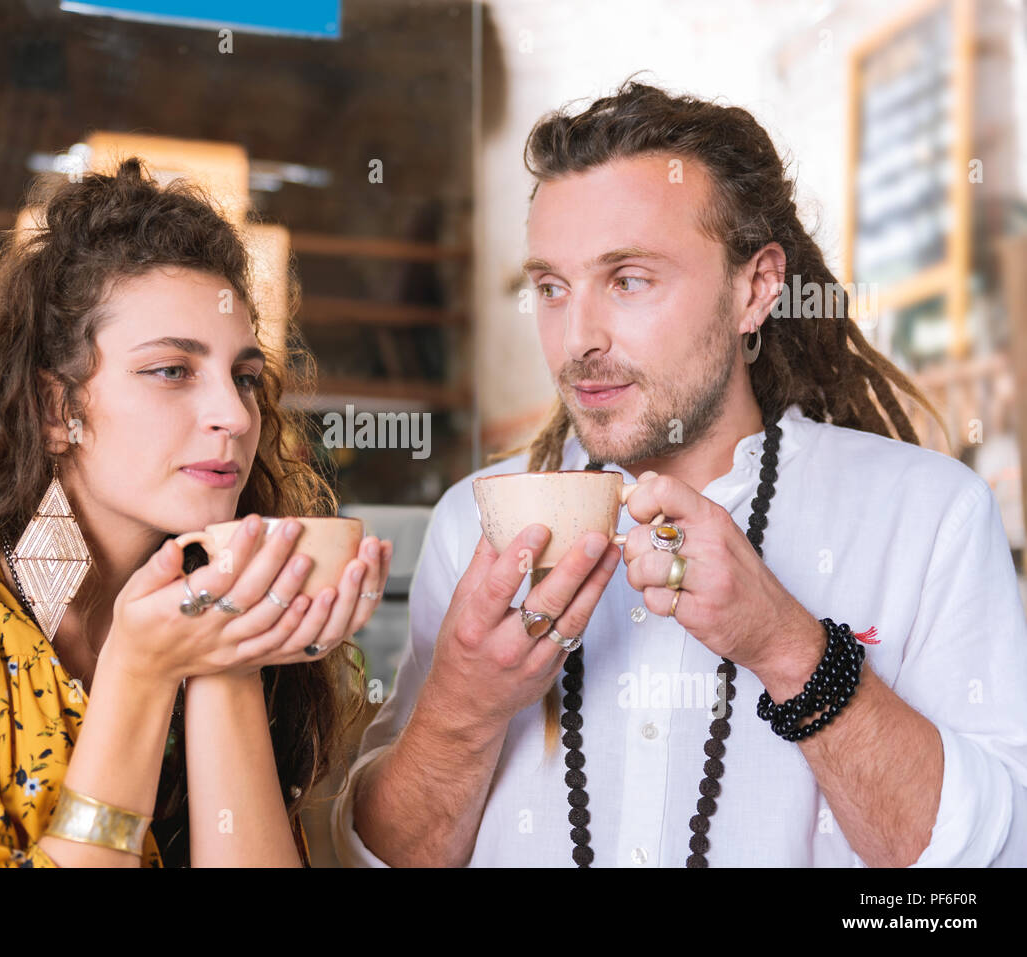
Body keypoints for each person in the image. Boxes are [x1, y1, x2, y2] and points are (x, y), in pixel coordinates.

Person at [332, 80, 1027, 867]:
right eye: (552, 288)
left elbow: (992, 864)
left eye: (628, 279)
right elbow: (383, 859)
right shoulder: (476, 522)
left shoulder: (929, 517)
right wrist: (461, 711)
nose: (577, 339)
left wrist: (789, 648)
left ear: (756, 288)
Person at [0, 158, 392, 867]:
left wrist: (226, 655)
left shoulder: (206, 619)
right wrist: (139, 675)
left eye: (244, 377)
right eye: (172, 370)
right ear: (60, 410)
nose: (234, 415)